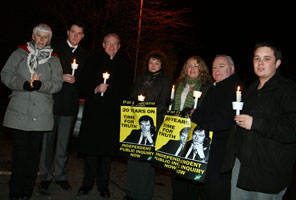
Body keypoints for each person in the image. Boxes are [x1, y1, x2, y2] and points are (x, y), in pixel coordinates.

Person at [221, 42, 296, 200]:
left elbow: (291, 129)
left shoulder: (288, 90)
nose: (260, 63)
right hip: (242, 167)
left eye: (266, 58)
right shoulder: (251, 90)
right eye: (257, 58)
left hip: (268, 171)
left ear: (277, 63)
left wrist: (255, 124)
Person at [1, 23, 63, 200]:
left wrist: (42, 86)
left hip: (40, 114)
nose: (42, 40)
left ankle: (27, 190)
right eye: (39, 36)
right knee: (19, 153)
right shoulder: (19, 53)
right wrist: (21, 84)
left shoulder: (54, 59)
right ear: (33, 36)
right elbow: (5, 74)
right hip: (18, 111)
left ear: (49, 39)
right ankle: (15, 189)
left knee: (32, 154)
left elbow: (58, 83)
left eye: (46, 37)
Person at [171, 55, 244, 200]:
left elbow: (220, 121)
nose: (217, 70)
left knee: (215, 191)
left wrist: (195, 114)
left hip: (221, 154)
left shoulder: (234, 90)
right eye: (214, 67)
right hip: (208, 152)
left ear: (232, 68)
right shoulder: (216, 87)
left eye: (221, 66)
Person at [77, 33, 133, 198]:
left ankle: (103, 185)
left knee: (106, 154)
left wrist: (112, 92)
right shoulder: (92, 60)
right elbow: (83, 82)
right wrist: (95, 88)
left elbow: (126, 88)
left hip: (111, 114)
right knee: (91, 152)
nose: (112, 46)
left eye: (115, 44)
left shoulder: (124, 65)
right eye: (109, 43)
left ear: (119, 46)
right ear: (103, 44)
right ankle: (87, 183)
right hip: (94, 114)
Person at [38, 22, 89, 191]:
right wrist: (61, 76)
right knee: (47, 142)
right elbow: (43, 70)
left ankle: (59, 174)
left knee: (63, 143)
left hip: (69, 105)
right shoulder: (54, 48)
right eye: (73, 32)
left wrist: (78, 82)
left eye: (79, 33)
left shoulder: (85, 55)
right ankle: (44, 175)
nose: (75, 36)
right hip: (51, 102)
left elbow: (85, 82)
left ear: (82, 36)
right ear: (68, 32)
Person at [125, 50, 172, 200]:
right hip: (135, 123)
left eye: (156, 63)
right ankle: (131, 192)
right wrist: (135, 103)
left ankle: (144, 195)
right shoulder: (140, 77)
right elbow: (131, 96)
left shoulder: (165, 80)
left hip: (153, 125)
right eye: (151, 62)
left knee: (146, 162)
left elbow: (163, 103)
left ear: (161, 65)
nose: (153, 65)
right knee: (133, 159)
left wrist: (147, 108)